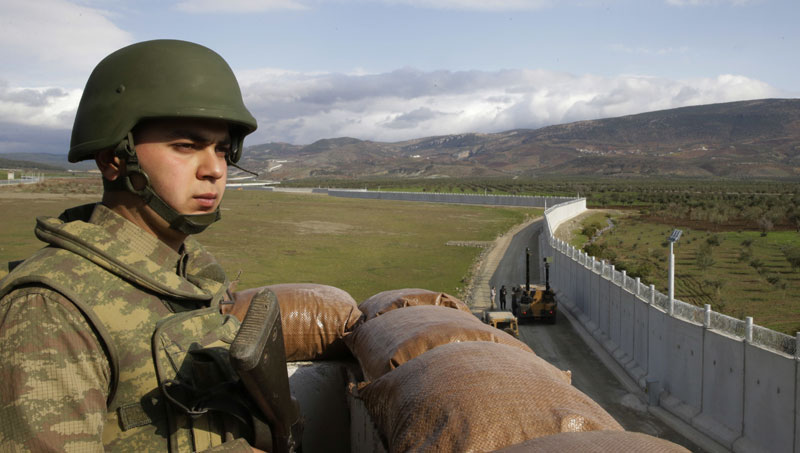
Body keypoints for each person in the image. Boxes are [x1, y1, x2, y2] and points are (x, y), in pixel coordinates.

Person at [0, 40, 267, 452]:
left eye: (222, 150)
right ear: (113, 160)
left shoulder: (192, 273)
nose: (215, 169)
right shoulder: (51, 306)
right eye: (186, 146)